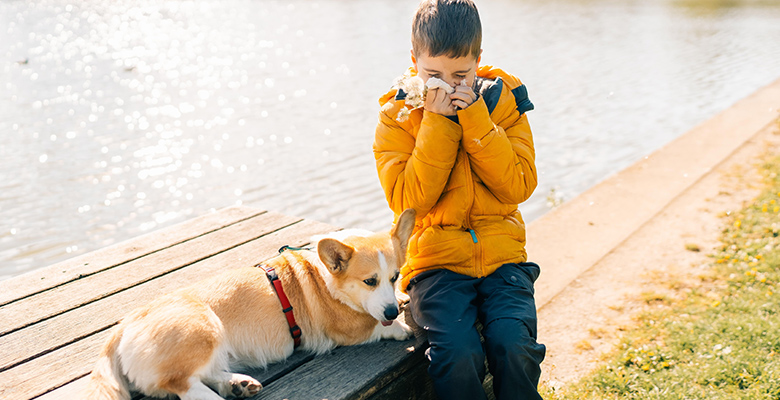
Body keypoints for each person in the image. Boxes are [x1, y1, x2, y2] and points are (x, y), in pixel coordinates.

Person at [372, 0, 546, 399]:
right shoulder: (397, 116)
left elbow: (518, 185)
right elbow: (409, 202)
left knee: (513, 343)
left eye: (461, 75)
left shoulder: (502, 101)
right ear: (414, 59)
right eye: (433, 74)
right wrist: (437, 123)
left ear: (478, 60)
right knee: (457, 351)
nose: (448, 86)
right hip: (436, 265)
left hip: (503, 258)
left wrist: (475, 120)